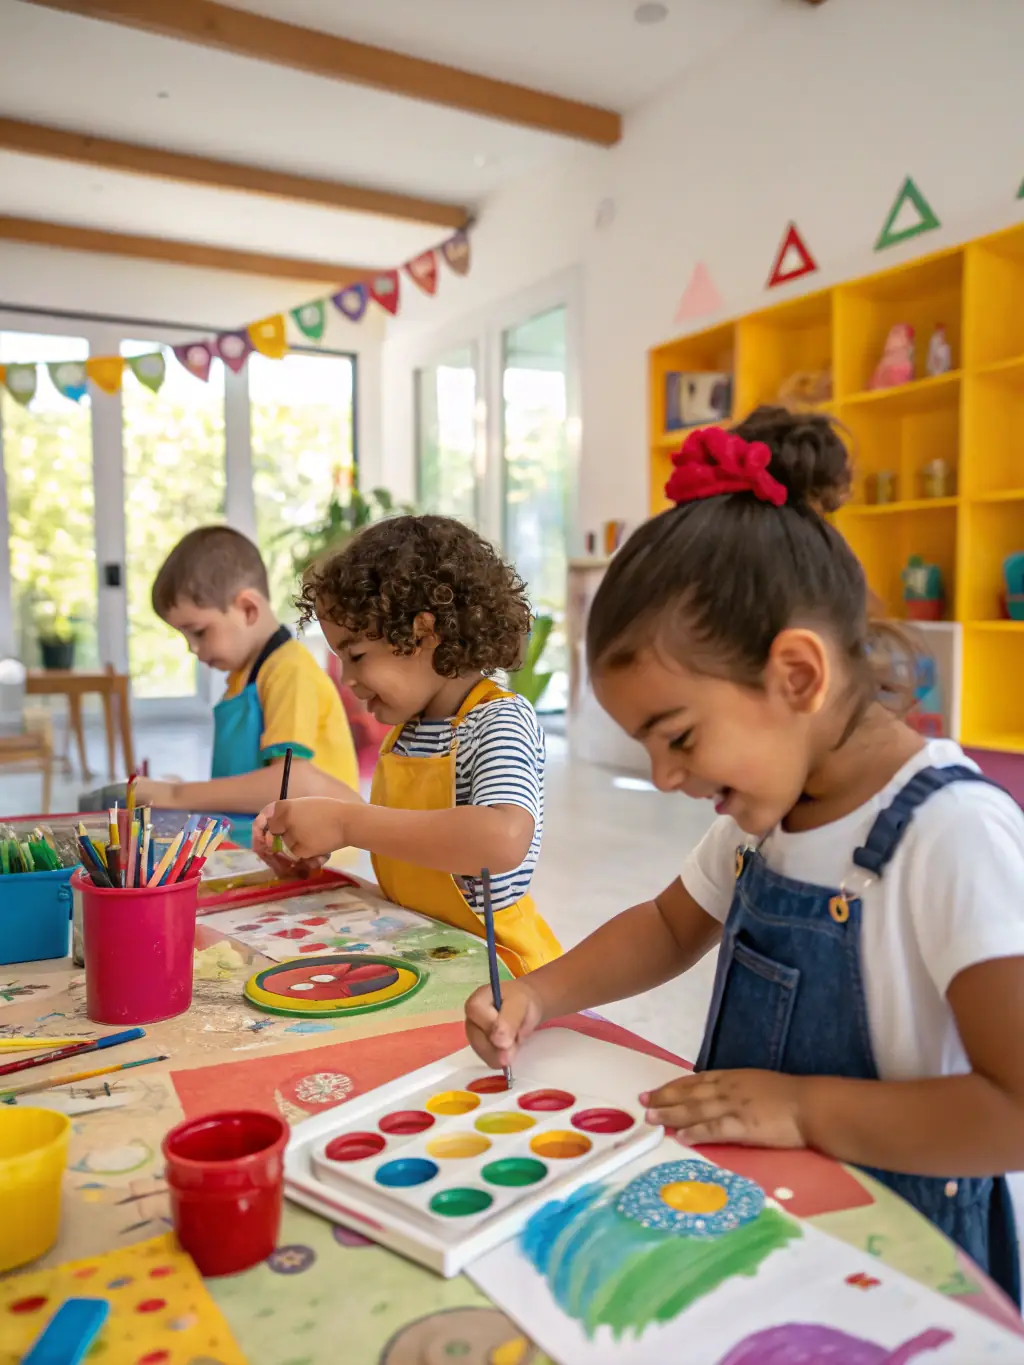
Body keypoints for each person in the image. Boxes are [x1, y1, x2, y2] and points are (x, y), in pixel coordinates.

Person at [464, 407, 1024, 1300]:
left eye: (677, 734)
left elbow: (1016, 1113)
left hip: (910, 1258)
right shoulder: (769, 815)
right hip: (770, 1217)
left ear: (797, 675)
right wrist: (541, 991)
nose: (662, 774)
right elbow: (663, 927)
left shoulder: (950, 833)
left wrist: (803, 1109)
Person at [251, 514, 561, 977]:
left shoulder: (496, 720)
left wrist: (347, 823)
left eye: (356, 656)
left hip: (496, 972)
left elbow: (501, 840)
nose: (348, 681)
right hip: (425, 950)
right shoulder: (408, 730)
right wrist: (316, 840)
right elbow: (404, 837)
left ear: (423, 633)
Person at [129, 526, 359, 829]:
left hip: (315, 858)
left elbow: (292, 782)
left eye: (198, 632)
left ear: (248, 609)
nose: (192, 648)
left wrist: (176, 794)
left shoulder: (289, 670)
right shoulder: (242, 677)